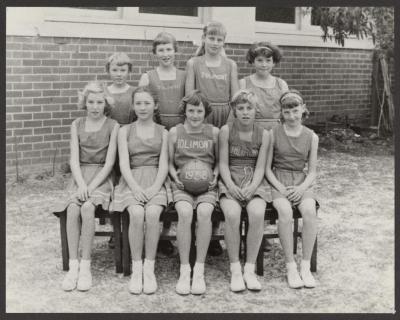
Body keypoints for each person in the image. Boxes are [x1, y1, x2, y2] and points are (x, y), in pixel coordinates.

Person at [55, 81, 119, 291]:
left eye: (99, 102)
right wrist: (82, 184)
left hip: (102, 176)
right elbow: (74, 159)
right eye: (90, 101)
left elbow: (109, 162)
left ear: (105, 103)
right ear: (85, 102)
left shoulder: (113, 125)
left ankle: (86, 266)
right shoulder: (76, 124)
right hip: (80, 175)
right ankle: (73, 266)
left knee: (88, 207)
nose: (94, 106)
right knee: (73, 208)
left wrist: (91, 186)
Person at [185, 21, 239, 256]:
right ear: (204, 38)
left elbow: (235, 97)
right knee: (201, 167)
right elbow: (189, 96)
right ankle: (198, 228)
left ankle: (215, 231)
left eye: (220, 40)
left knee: (222, 167)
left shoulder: (230, 64)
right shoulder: (193, 63)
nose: (215, 43)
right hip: (201, 117)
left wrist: (229, 123)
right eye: (212, 38)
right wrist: (198, 122)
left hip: (225, 116)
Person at [111, 86, 168, 294]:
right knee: (136, 213)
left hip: (155, 179)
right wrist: (135, 188)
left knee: (152, 214)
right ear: (133, 106)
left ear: (155, 106)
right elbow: (124, 164)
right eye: (138, 103)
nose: (142, 107)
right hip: (132, 179)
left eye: (147, 103)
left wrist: (154, 188)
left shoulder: (164, 132)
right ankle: (136, 268)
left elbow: (163, 164)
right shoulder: (124, 130)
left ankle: (149, 268)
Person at [139, 32, 186, 256]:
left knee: (174, 178)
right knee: (157, 176)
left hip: (178, 132)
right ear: (155, 53)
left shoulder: (185, 75)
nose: (166, 54)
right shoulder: (148, 77)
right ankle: (153, 231)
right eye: (161, 50)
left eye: (169, 49)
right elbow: (141, 107)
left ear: (175, 51)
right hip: (156, 131)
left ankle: (167, 232)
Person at [265, 90, 319, 289]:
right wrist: (280, 187)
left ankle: (305, 266)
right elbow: (266, 169)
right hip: (278, 180)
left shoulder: (312, 137)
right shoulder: (273, 133)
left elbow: (312, 171)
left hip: (301, 182)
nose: (292, 116)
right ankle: (291, 266)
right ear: (281, 113)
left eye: (295, 111)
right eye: (287, 113)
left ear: (303, 109)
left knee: (309, 212)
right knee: (285, 213)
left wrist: (301, 188)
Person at [219, 90, 271, 292]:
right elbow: (223, 163)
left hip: (254, 181)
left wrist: (251, 187)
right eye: (240, 108)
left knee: (257, 213)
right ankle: (235, 269)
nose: (245, 112)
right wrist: (231, 186)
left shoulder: (264, 134)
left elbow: (260, 167)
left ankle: (249, 269)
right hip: (230, 178)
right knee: (232, 214)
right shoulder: (226, 130)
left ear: (256, 109)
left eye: (249, 108)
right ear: (234, 110)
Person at [168, 90, 219, 295]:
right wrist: (175, 177)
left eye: (199, 111)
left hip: (206, 185)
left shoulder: (214, 132)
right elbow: (170, 162)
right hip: (182, 184)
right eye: (191, 110)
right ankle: (184, 268)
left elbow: (219, 161)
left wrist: (215, 175)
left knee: (205, 213)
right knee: (185, 213)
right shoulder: (175, 132)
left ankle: (199, 268)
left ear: (205, 112)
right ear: (185, 111)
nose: (195, 115)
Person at [104, 53, 136, 249]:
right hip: (109, 144)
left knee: (126, 184)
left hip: (129, 142)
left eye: (122, 70)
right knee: (112, 186)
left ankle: (130, 226)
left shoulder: (134, 92)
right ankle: (114, 230)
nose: (118, 74)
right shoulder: (104, 92)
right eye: (114, 70)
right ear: (108, 71)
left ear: (129, 71)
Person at [239, 41, 288, 131]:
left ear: (274, 62)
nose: (264, 64)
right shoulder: (244, 83)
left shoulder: (281, 84)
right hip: (252, 129)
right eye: (260, 60)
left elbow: (287, 111)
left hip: (276, 130)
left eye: (268, 60)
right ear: (253, 62)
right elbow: (238, 110)